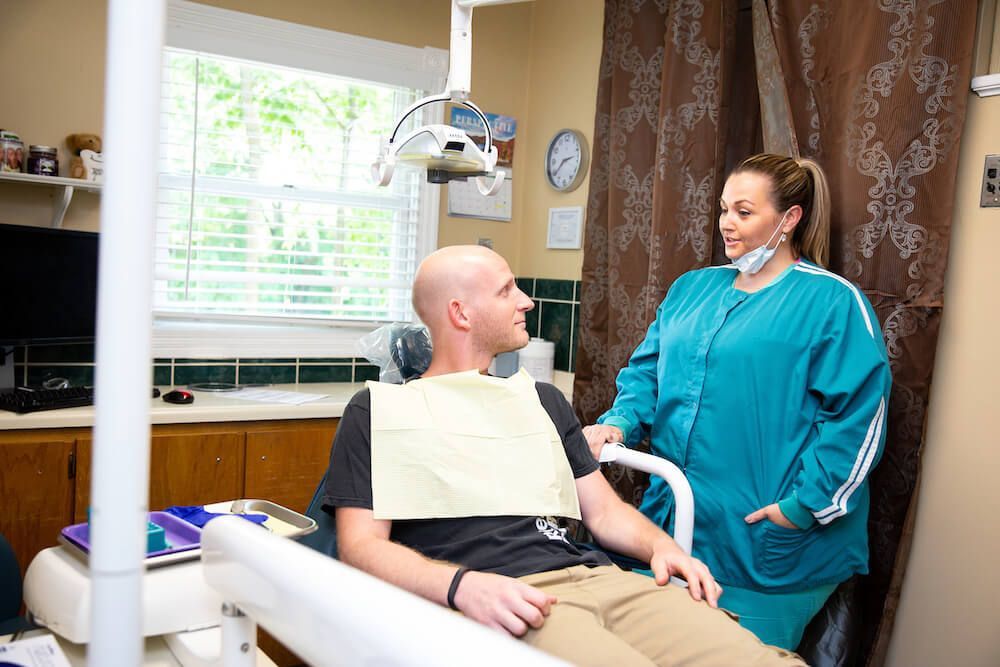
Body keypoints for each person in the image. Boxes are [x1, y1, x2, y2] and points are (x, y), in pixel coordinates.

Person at [323, 245, 805, 666]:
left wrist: (664, 548)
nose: (526, 301)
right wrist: (462, 587)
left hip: (600, 580)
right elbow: (360, 548)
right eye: (507, 290)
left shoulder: (541, 400)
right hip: (506, 594)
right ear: (461, 314)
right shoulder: (378, 411)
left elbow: (605, 512)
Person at [584, 153, 893, 650]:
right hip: (670, 528)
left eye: (744, 212)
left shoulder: (832, 302)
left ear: (789, 219)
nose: (727, 223)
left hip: (766, 548)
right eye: (724, 209)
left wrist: (803, 507)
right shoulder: (692, 289)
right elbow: (646, 371)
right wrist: (619, 422)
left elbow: (859, 420)